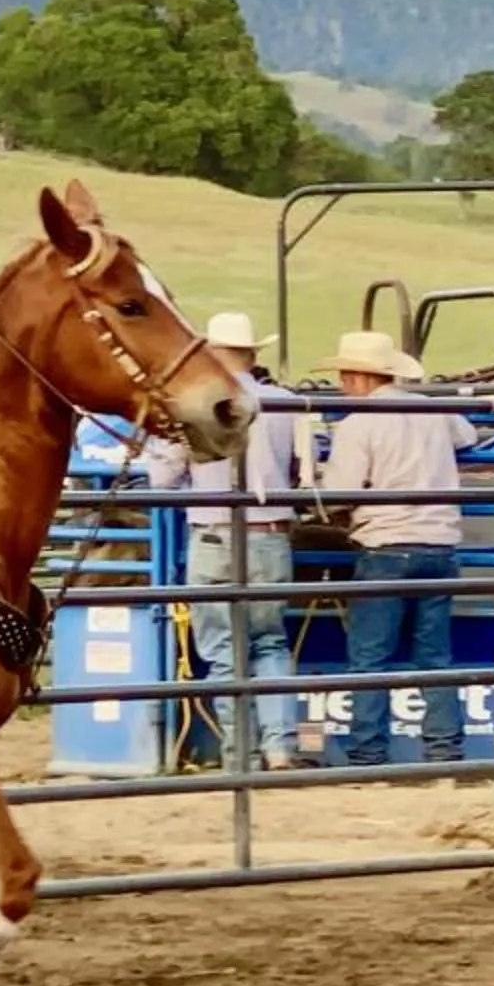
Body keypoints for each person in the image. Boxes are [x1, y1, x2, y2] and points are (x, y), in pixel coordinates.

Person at [145, 313, 313, 771]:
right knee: (270, 642)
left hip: (214, 534)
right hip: (270, 533)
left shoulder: (194, 405)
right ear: (253, 354)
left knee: (223, 651)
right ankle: (280, 748)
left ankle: (241, 755)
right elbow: (306, 470)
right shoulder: (286, 403)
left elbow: (161, 477)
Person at [317, 331, 478, 768]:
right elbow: (468, 438)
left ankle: (369, 752)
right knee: (435, 657)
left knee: (370, 657)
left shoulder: (357, 424)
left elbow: (339, 493)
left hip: (386, 545)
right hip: (439, 543)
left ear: (356, 377)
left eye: (343, 377)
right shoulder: (433, 409)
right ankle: (444, 749)